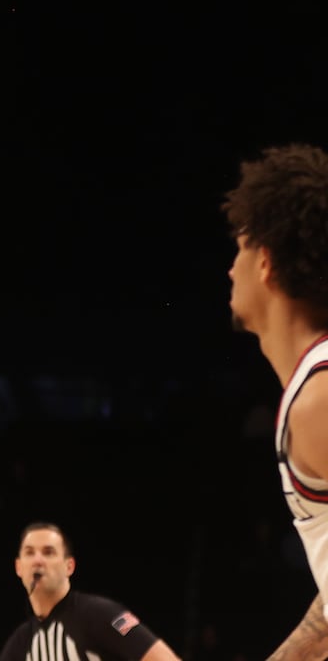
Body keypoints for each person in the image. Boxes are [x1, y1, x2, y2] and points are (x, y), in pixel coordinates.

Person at [223, 143, 328, 661]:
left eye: (238, 248)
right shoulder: (311, 393)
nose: (229, 270)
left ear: (264, 261)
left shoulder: (321, 402)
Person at [0, 521, 180, 661]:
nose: (38, 559)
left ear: (69, 566)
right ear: (18, 567)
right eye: (30, 553)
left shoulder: (99, 614)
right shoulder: (20, 643)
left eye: (49, 552)